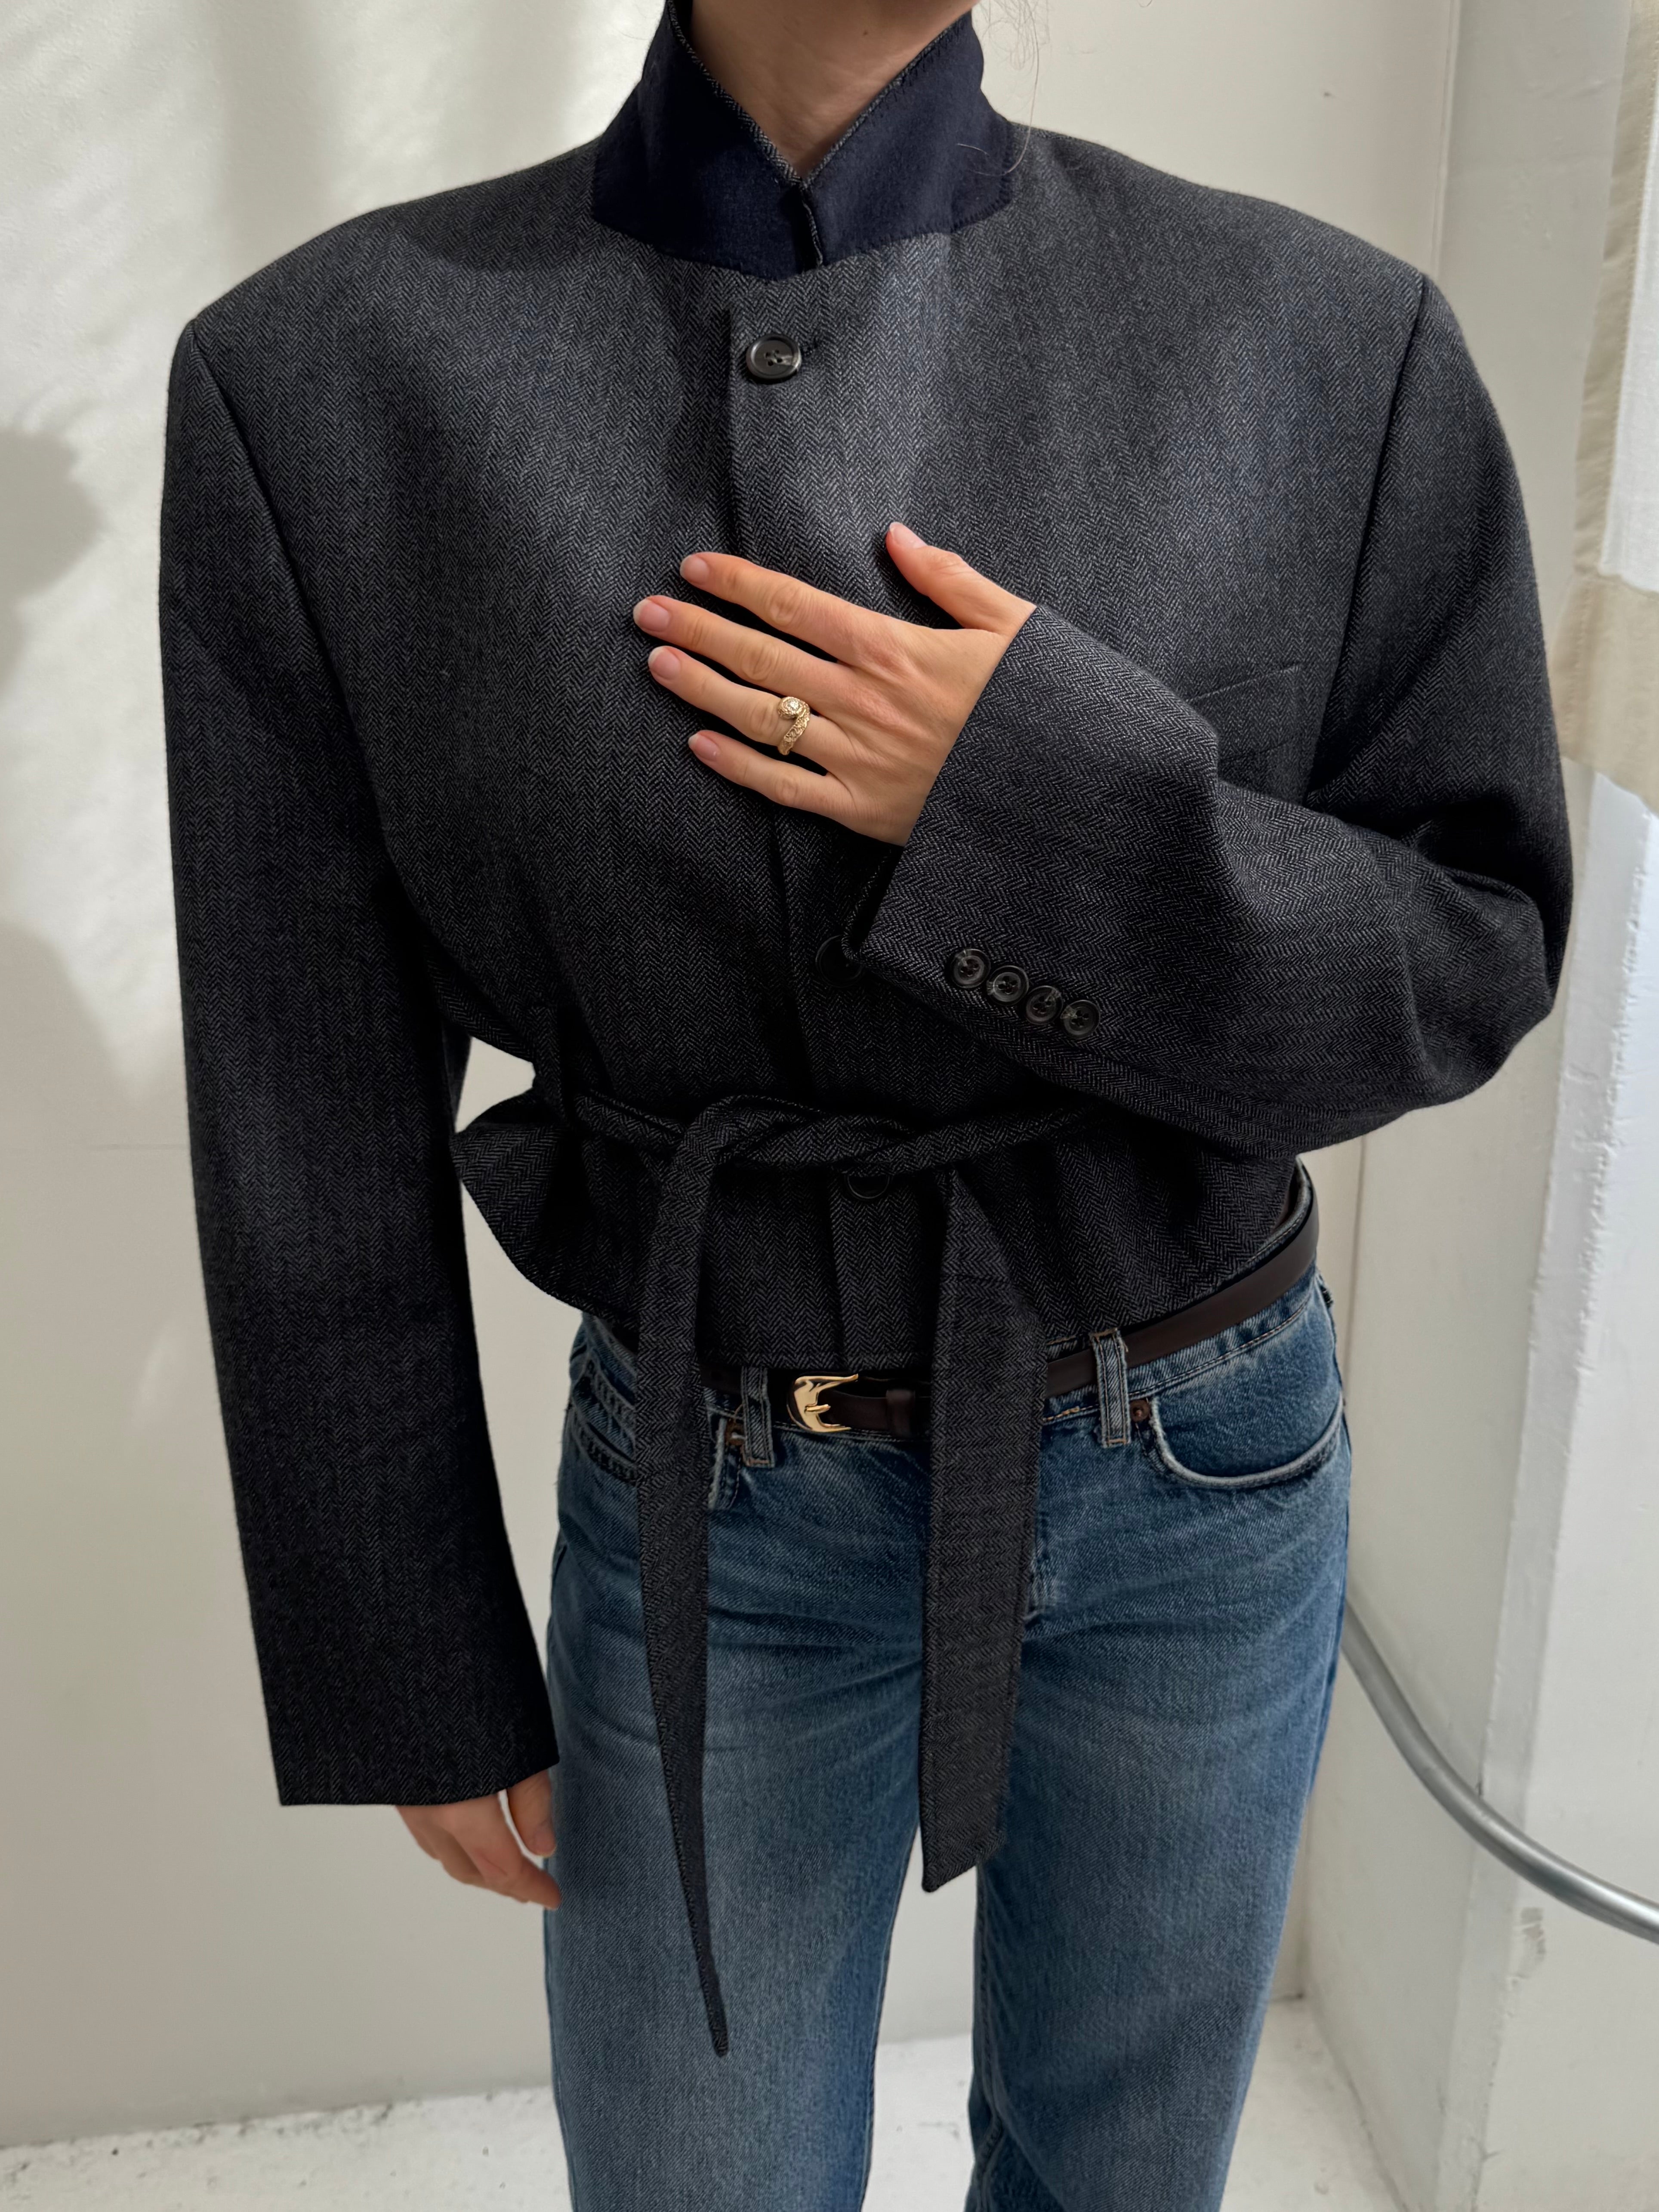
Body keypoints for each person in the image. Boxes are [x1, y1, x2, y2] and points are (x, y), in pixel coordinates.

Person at [158, 1, 1572, 2206]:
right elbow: (304, 1098)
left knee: (1121, 2175)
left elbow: (1462, 956)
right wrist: (405, 1647)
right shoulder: (331, 383)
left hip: (1204, 1461)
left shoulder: (1322, 342)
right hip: (713, 1480)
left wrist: (1033, 799)